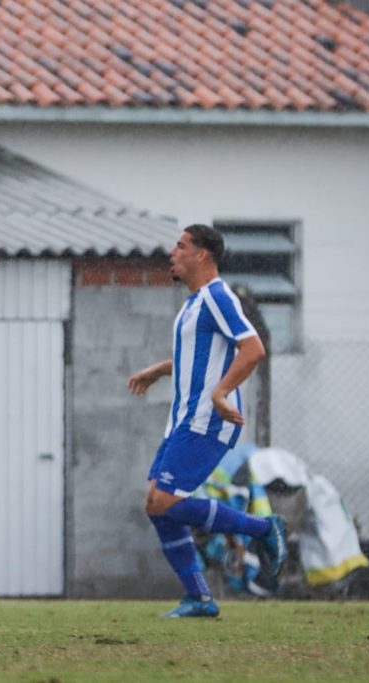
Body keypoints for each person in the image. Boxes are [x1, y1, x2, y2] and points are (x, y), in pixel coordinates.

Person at [127, 224, 287, 618]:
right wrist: (160, 370)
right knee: (156, 505)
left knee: (165, 500)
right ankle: (199, 597)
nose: (172, 252)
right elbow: (196, 359)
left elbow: (253, 349)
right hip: (183, 420)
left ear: (202, 255)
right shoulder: (193, 303)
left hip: (207, 420)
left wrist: (220, 393)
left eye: (181, 246)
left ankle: (263, 529)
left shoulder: (218, 295)